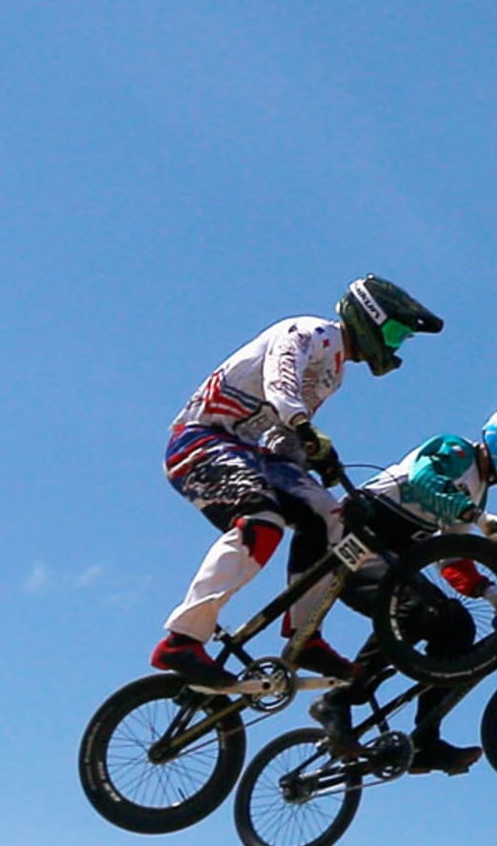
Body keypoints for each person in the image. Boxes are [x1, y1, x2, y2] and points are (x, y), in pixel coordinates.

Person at [150, 277, 443, 685]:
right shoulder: (310, 331)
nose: (394, 345)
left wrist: (313, 456)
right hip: (200, 439)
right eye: (395, 331)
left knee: (331, 517)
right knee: (262, 521)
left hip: (248, 450)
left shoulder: (333, 373)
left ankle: (305, 636)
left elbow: (280, 439)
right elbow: (279, 381)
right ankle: (182, 639)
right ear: (369, 318)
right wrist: (304, 426)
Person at [309, 404, 497, 775]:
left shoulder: (478, 493)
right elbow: (423, 479)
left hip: (390, 562)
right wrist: (474, 516)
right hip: (350, 543)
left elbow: (452, 559)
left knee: (457, 625)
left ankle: (425, 740)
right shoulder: (457, 452)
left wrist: (490, 592)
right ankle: (338, 699)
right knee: (418, 611)